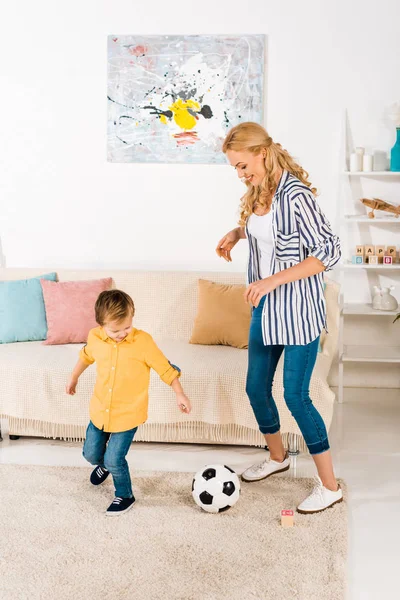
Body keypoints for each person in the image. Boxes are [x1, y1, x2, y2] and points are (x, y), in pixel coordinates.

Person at [216, 122, 342, 514]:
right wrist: (239, 233)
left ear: (262, 153)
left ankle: (330, 485)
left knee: (296, 396)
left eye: (242, 165)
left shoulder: (296, 195)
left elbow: (329, 250)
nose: (240, 174)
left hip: (299, 310)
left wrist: (272, 281)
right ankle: (278, 457)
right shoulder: (259, 192)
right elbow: (270, 233)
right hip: (266, 310)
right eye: (235, 168)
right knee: (256, 388)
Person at [66, 289, 191, 516]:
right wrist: (73, 377)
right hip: (100, 410)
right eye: (115, 330)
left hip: (128, 414)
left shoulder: (143, 342)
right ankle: (103, 465)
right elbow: (85, 356)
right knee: (91, 455)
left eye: (127, 327)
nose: (122, 333)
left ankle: (125, 495)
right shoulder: (95, 337)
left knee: (115, 459)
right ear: (101, 324)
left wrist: (179, 393)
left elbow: (165, 368)